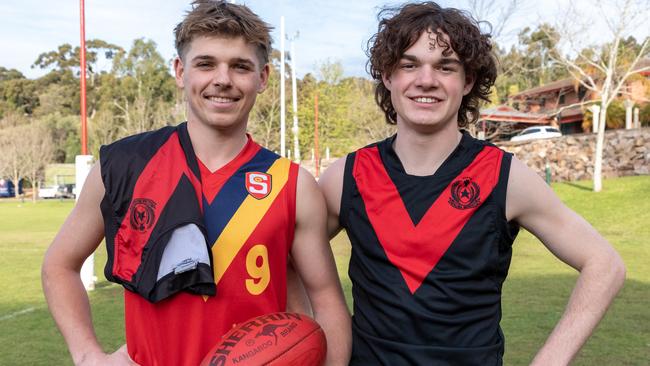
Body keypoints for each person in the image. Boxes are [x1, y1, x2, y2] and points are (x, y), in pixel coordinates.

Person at [41, 1, 351, 365]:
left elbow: (327, 299)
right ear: (179, 70)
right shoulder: (125, 165)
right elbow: (59, 265)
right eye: (206, 63)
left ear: (263, 77)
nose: (223, 79)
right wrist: (88, 355)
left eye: (240, 66)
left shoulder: (291, 184)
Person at [318, 2, 626, 365]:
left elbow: (604, 264)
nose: (426, 80)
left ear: (467, 81)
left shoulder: (505, 177)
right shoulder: (346, 176)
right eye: (409, 64)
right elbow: (286, 258)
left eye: (445, 67)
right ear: (388, 76)